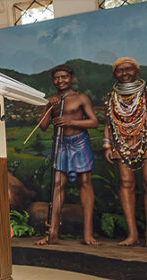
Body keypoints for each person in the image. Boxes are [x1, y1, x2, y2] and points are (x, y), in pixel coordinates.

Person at [103, 57, 147, 247]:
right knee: (126, 183)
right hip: (122, 140)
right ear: (115, 74)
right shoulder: (112, 97)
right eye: (120, 70)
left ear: (137, 71)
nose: (125, 73)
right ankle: (132, 235)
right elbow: (108, 123)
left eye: (129, 69)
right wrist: (107, 145)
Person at [36, 64, 100, 246]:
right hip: (60, 144)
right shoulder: (52, 101)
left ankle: (88, 234)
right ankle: (52, 234)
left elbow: (94, 122)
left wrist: (72, 121)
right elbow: (43, 126)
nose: (60, 80)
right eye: (56, 78)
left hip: (79, 143)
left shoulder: (81, 98)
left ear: (72, 78)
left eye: (64, 77)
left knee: (85, 184)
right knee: (57, 185)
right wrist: (47, 106)